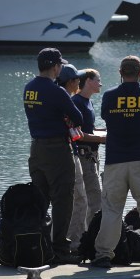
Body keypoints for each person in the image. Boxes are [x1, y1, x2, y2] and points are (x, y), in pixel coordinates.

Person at [92, 56, 140, 270]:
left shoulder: (110, 95)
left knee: (112, 209)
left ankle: (103, 254)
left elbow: (107, 119)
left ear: (120, 73)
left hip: (115, 161)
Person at [22, 48, 84, 265]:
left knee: (40, 199)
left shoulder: (29, 88)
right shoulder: (57, 91)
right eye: (60, 65)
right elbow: (78, 118)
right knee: (62, 199)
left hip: (36, 149)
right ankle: (59, 249)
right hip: (57, 149)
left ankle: (37, 243)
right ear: (55, 66)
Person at [58, 64, 90, 252]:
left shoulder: (54, 94)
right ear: (71, 82)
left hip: (52, 152)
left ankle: (57, 240)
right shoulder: (65, 98)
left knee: (60, 199)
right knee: (79, 199)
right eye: (78, 79)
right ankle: (75, 245)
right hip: (67, 152)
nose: (80, 82)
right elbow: (77, 121)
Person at [72, 68, 106, 231]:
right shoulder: (76, 102)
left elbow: (87, 129)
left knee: (89, 199)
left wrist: (102, 131)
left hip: (92, 156)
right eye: (98, 79)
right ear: (88, 81)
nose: (101, 83)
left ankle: (86, 236)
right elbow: (77, 135)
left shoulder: (88, 101)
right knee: (94, 200)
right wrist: (101, 138)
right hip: (84, 156)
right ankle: (89, 240)